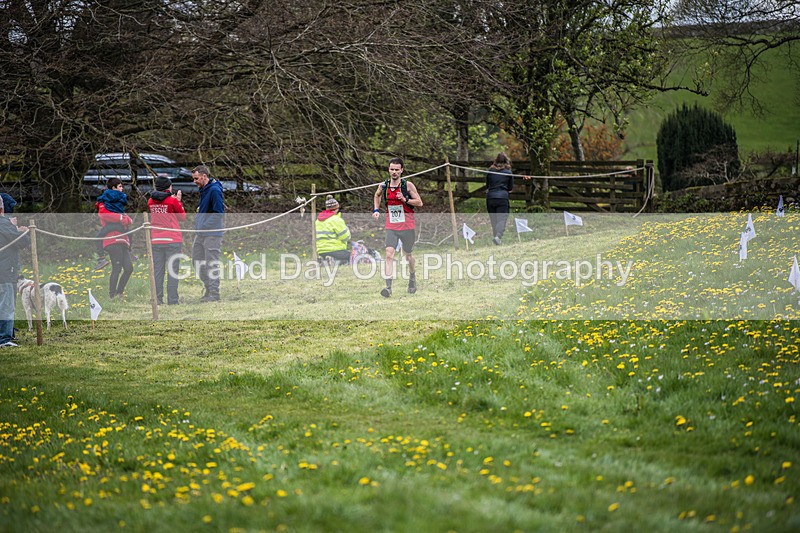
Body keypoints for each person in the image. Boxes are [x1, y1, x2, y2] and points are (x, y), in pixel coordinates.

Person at [372, 157, 423, 297]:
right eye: (392, 169)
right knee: (389, 254)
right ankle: (388, 288)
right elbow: (377, 196)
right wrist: (376, 210)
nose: (394, 172)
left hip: (407, 225)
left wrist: (405, 199)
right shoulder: (383, 185)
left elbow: (419, 203)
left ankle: (412, 277)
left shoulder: (408, 186)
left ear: (402, 170)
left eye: (397, 169)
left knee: (408, 256)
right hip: (391, 225)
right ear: (389, 170)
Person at [148, 175, 186, 305]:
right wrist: (179, 201)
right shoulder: (172, 201)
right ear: (168, 187)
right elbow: (182, 217)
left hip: (156, 240)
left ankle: (158, 299)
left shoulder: (150, 201)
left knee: (158, 271)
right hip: (172, 240)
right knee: (172, 271)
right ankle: (173, 300)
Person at [96, 178, 134, 299]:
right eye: (120, 187)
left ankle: (119, 292)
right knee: (116, 268)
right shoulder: (104, 202)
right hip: (111, 239)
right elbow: (105, 215)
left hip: (123, 239)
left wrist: (124, 219)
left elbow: (129, 221)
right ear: (113, 188)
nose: (122, 189)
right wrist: (122, 219)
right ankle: (112, 295)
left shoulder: (118, 204)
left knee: (129, 268)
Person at [191, 165, 224, 302]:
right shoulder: (203, 190)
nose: (195, 181)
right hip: (201, 233)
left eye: (196, 178)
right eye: (193, 179)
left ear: (204, 176)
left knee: (211, 263)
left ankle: (214, 294)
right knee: (196, 260)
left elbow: (219, 213)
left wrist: (204, 226)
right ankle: (208, 288)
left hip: (212, 233)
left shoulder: (215, 190)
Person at [0, 194, 29, 347]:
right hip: (4, 271)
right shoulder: (3, 223)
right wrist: (22, 231)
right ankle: (4, 338)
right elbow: (21, 242)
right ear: (2, 207)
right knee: (6, 304)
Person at [485, 152, 513, 245]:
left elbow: (487, 185)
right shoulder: (508, 173)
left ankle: (496, 238)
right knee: (501, 218)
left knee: (494, 219)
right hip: (502, 198)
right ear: (506, 161)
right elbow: (510, 188)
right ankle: (498, 236)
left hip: (490, 198)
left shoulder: (490, 171)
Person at [316, 195, 351, 265]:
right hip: (336, 250)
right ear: (337, 208)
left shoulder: (318, 221)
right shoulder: (337, 220)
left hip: (321, 251)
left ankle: (324, 260)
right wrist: (346, 228)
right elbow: (346, 237)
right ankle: (334, 260)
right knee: (351, 257)